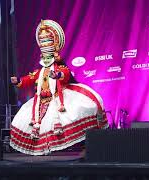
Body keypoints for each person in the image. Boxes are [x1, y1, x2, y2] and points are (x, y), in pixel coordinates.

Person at [10, 19, 108, 155]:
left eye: (47, 44)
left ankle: (84, 147)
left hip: (57, 98)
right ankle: (43, 152)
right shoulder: (40, 71)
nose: (45, 49)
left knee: (71, 115)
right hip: (40, 101)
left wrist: (57, 75)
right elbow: (30, 78)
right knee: (26, 121)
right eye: (42, 44)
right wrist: (18, 81)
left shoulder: (58, 66)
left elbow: (66, 74)